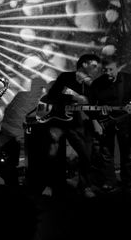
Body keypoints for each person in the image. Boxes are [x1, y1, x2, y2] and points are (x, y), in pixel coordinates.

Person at [41, 53, 101, 198]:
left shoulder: (91, 85)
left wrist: (95, 121)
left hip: (76, 122)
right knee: (52, 154)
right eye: (94, 66)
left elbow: (90, 105)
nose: (96, 69)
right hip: (57, 121)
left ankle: (85, 186)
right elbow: (53, 94)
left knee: (85, 154)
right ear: (84, 64)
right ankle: (49, 186)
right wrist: (74, 96)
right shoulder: (66, 77)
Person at [90, 55, 131, 192]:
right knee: (107, 153)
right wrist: (95, 122)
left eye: (111, 70)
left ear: (118, 68)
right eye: (105, 70)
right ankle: (109, 181)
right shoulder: (97, 84)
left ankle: (129, 181)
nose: (108, 73)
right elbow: (90, 105)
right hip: (104, 122)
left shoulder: (128, 80)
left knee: (127, 153)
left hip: (124, 121)